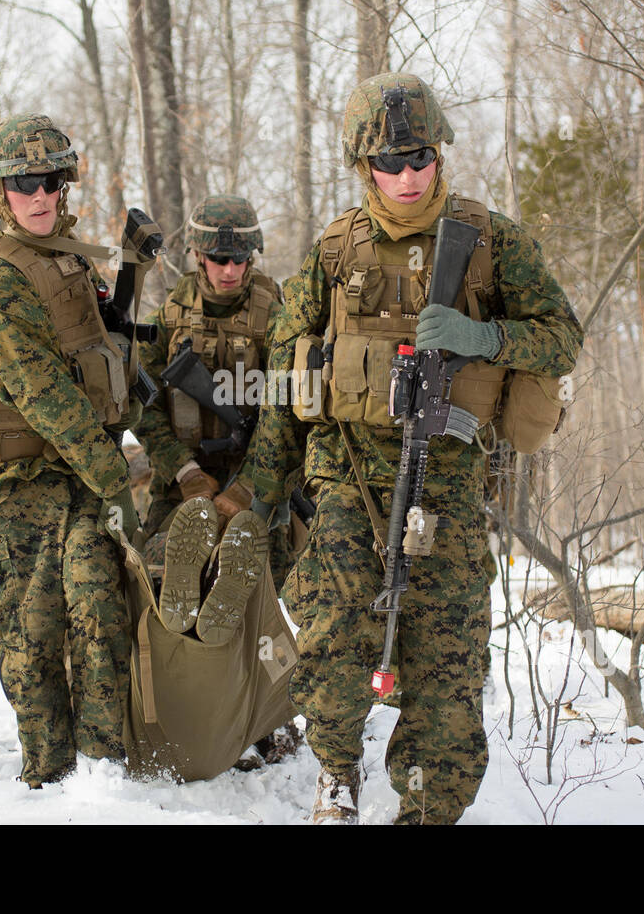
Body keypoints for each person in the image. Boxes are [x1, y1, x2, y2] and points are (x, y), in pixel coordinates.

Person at [236, 72, 583, 823]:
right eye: (387, 163)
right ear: (363, 168)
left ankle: (427, 799)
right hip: (345, 472)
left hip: (449, 478)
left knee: (448, 651)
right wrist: (256, 497)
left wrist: (483, 335)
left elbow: (563, 335)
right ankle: (335, 773)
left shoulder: (491, 241)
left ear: (439, 152)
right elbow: (285, 370)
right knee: (331, 633)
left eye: (418, 157)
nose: (405, 176)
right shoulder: (333, 251)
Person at [0, 113, 139, 786]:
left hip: (75, 471)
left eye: (52, 180)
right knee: (31, 633)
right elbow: (43, 393)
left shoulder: (68, 259)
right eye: (26, 183)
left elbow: (97, 358)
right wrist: (118, 478)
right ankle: (47, 777)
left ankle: (104, 769)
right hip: (11, 483)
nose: (42, 195)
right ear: (0, 191)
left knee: (99, 605)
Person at [134, 195, 296, 640]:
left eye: (240, 259)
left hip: (259, 477)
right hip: (187, 478)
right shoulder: (169, 317)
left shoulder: (278, 318)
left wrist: (247, 489)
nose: (230, 271)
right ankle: (187, 696)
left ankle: (258, 703)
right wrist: (183, 471)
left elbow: (289, 412)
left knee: (263, 596)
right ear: (198, 256)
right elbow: (140, 404)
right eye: (219, 259)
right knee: (158, 579)